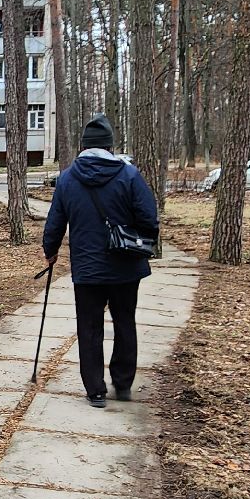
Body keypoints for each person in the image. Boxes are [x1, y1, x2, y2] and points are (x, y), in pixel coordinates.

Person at [41, 114, 160, 408]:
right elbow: (149, 218)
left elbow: (55, 221)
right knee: (124, 322)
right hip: (125, 264)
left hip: (87, 266)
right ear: (110, 146)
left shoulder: (67, 178)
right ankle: (123, 384)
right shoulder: (129, 175)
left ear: (83, 145)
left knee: (89, 326)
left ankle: (95, 390)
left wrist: (50, 250)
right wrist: (140, 239)